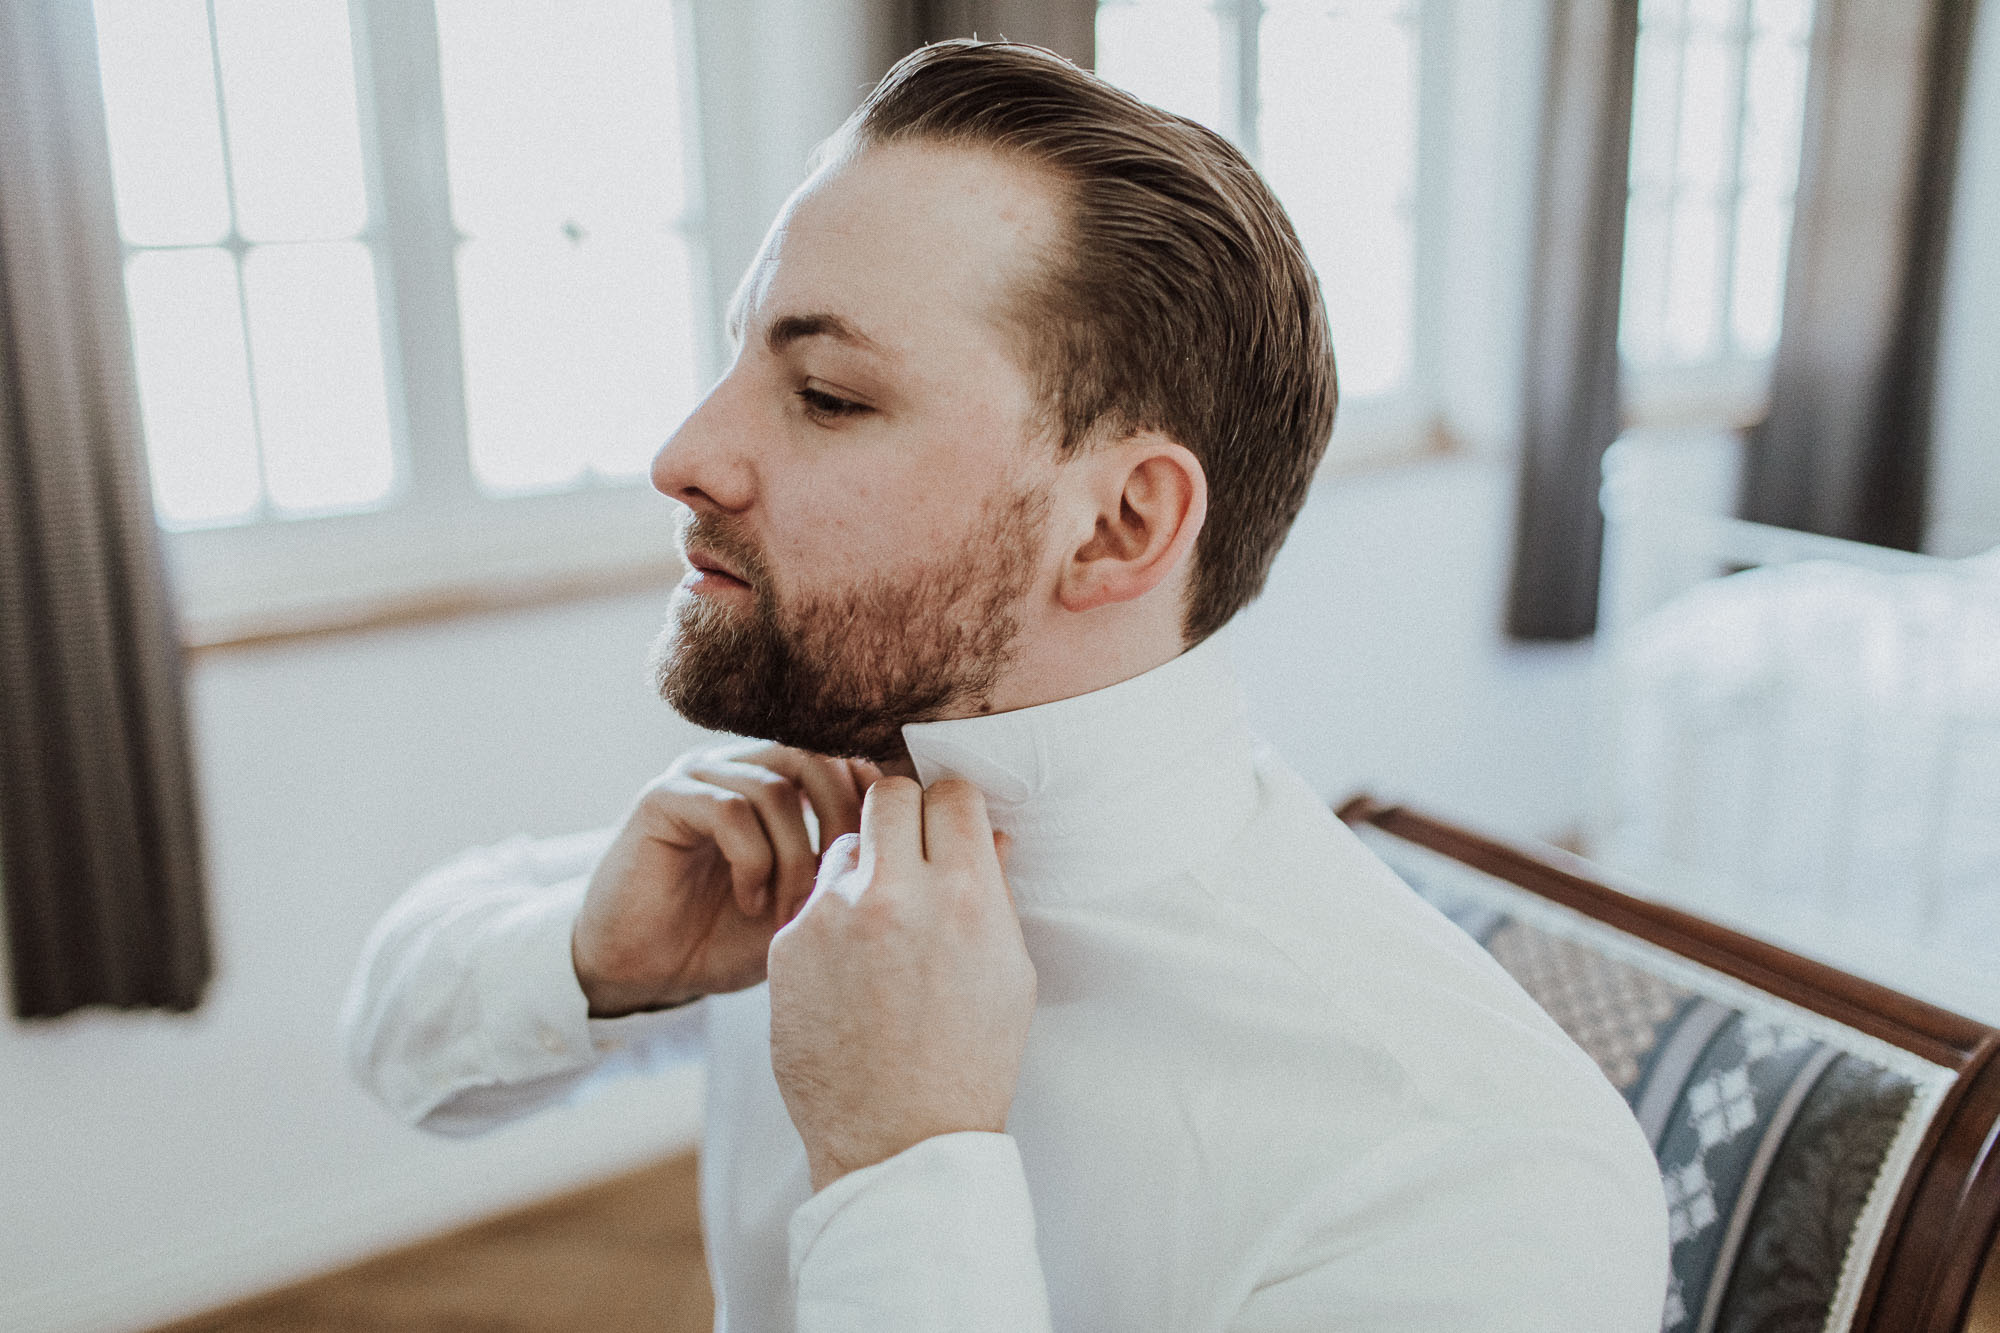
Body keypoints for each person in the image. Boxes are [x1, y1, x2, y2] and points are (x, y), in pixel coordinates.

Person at [343, 40, 1669, 1331]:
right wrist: (593, 959)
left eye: (824, 392)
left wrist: (902, 1167)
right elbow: (393, 1038)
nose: (683, 452)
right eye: (741, 356)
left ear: (1114, 528)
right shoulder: (836, 807)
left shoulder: (1479, 1178)